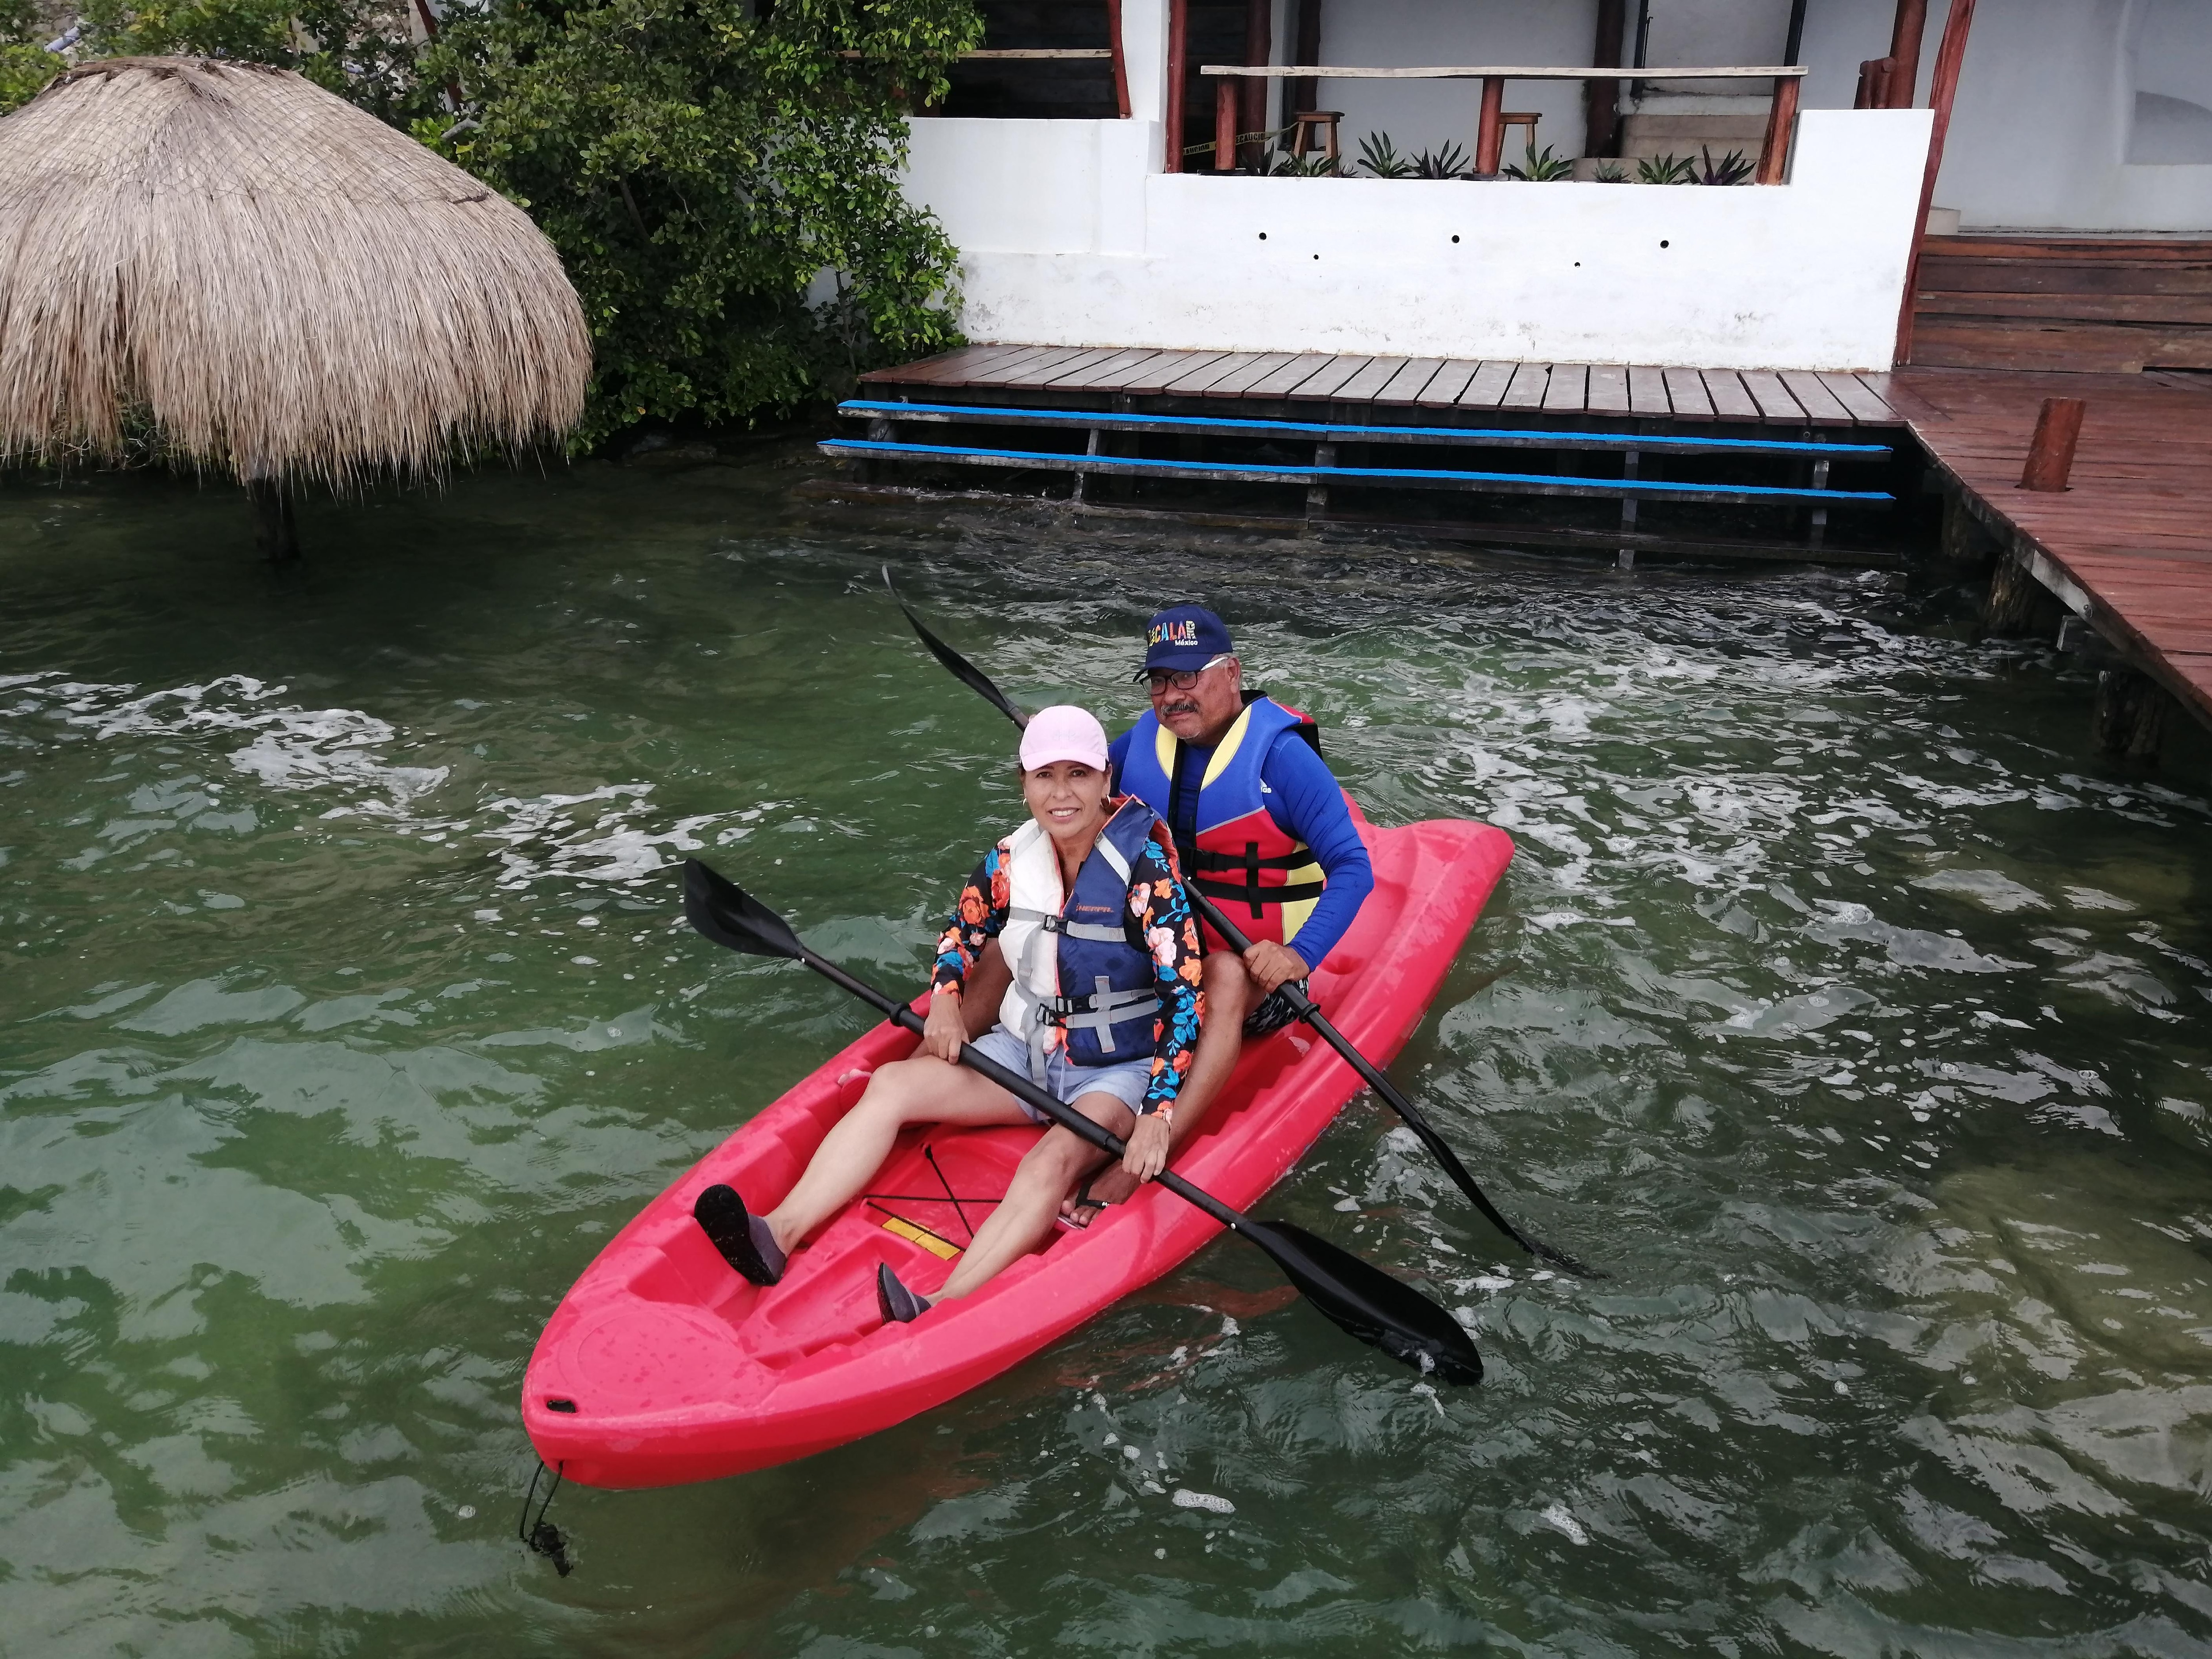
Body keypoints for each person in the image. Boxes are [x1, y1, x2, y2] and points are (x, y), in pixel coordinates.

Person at [691, 705, 1204, 1324]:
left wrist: (1158, 1112)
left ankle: (943, 1302)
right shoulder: (1011, 860)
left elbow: (1185, 995)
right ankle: (777, 1232)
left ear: (1105, 780)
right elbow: (961, 934)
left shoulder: (1147, 872)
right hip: (1025, 1052)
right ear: (1024, 783)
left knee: (1051, 1159)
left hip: (1112, 1070)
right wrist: (944, 996)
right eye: (1045, 776)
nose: (1061, 793)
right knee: (893, 1085)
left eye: (1078, 774)